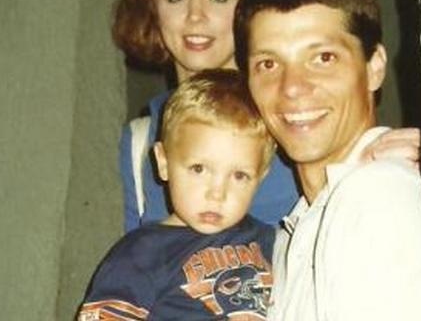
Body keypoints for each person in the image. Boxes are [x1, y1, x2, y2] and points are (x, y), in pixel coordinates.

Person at [114, 0, 421, 232]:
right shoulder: (141, 142)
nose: (195, 16)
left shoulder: (288, 114)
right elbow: (137, 257)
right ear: (150, 5)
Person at [233, 0, 421, 320]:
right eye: (268, 64)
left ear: (374, 67)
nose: (292, 87)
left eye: (323, 58)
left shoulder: (378, 196)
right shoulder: (298, 225)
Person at [78, 69, 276, 320]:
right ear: (163, 163)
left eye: (239, 175)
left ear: (260, 176)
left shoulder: (270, 241)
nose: (217, 194)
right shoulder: (142, 252)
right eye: (198, 169)